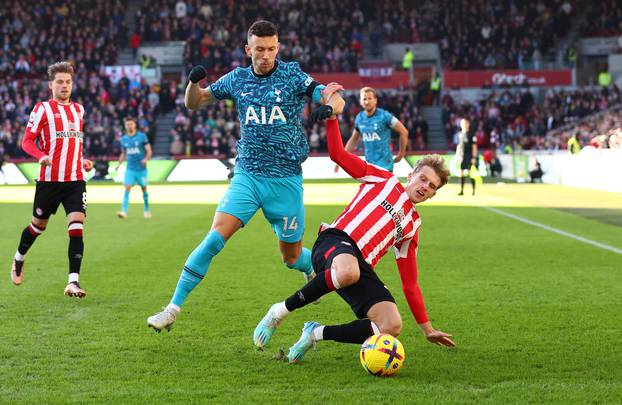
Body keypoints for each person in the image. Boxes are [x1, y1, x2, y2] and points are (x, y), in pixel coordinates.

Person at [147, 20, 346, 332]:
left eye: (271, 49)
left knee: (291, 257)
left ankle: (308, 268)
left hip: (286, 181)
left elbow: (333, 97)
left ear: (278, 47)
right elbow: (195, 101)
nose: (265, 55)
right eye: (259, 49)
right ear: (247, 49)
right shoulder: (237, 79)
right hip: (248, 176)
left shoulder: (292, 74)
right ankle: (172, 308)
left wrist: (330, 108)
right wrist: (192, 84)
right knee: (213, 239)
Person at [253, 110, 455, 363]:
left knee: (390, 326)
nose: (425, 186)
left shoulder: (413, 225)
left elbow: (410, 284)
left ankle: (314, 333)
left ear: (433, 195)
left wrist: (427, 329)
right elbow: (338, 155)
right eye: (423, 178)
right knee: (350, 271)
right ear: (411, 175)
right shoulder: (383, 179)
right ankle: (279, 312)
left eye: (432, 186)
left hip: (359, 265)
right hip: (334, 242)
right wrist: (332, 118)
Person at [11, 61, 93, 298]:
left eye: (68, 81)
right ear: (51, 85)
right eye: (60, 81)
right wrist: (41, 156)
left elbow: (74, 143)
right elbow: (27, 141)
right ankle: (19, 258)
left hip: (75, 180)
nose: (65, 85)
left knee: (77, 226)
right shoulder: (42, 109)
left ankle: (73, 282)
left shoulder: (79, 110)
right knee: (37, 227)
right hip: (49, 181)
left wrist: (82, 159)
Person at [335, 87, 408, 173]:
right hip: (369, 167)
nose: (367, 101)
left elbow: (404, 131)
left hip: (385, 166)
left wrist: (401, 154)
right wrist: (341, 158)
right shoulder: (359, 118)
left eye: (369, 98)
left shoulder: (385, 116)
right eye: (364, 99)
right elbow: (353, 139)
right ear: (360, 101)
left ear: (375, 100)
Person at [116, 117, 152, 219]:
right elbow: (123, 153)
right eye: (127, 124)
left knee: (144, 189)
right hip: (130, 169)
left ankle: (146, 210)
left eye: (131, 124)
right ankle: (124, 211)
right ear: (125, 126)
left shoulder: (142, 136)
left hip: (141, 169)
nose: (129, 126)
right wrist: (119, 164)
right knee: (127, 188)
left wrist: (146, 159)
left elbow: (149, 151)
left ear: (135, 125)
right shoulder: (123, 139)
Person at [455, 118, 478, 196]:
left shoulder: (472, 134)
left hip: (469, 156)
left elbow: (474, 146)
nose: (463, 125)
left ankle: (473, 191)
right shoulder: (460, 134)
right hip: (462, 156)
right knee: (461, 173)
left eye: (464, 123)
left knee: (471, 173)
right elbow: (458, 145)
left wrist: (474, 157)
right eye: (462, 123)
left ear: (468, 124)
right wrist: (457, 155)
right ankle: (461, 190)